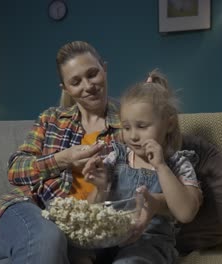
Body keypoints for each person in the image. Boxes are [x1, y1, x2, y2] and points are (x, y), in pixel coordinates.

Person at [0, 41, 160, 264]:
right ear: (65, 88)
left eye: (92, 74)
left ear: (105, 68)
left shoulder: (129, 126)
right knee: (48, 237)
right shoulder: (52, 119)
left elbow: (156, 172)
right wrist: (62, 158)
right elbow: (15, 170)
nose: (88, 86)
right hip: (26, 208)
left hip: (84, 233)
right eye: (75, 82)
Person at [81, 69, 203, 263]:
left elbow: (186, 213)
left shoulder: (178, 164)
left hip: (150, 244)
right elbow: (88, 214)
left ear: (169, 125)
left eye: (142, 126)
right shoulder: (115, 159)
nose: (133, 136)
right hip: (109, 239)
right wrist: (101, 187)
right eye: (127, 127)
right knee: (74, 252)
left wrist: (161, 166)